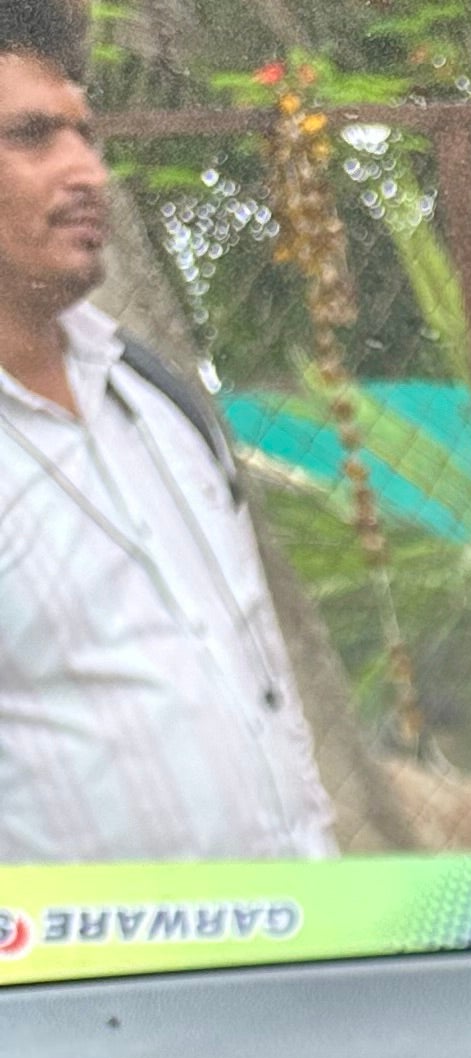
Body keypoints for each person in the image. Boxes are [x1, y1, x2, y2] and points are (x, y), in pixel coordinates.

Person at [0, 0, 335, 865]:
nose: (87, 171)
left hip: (293, 950)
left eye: (87, 134)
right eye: (33, 137)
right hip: (75, 994)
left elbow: (260, 681)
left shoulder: (160, 403)